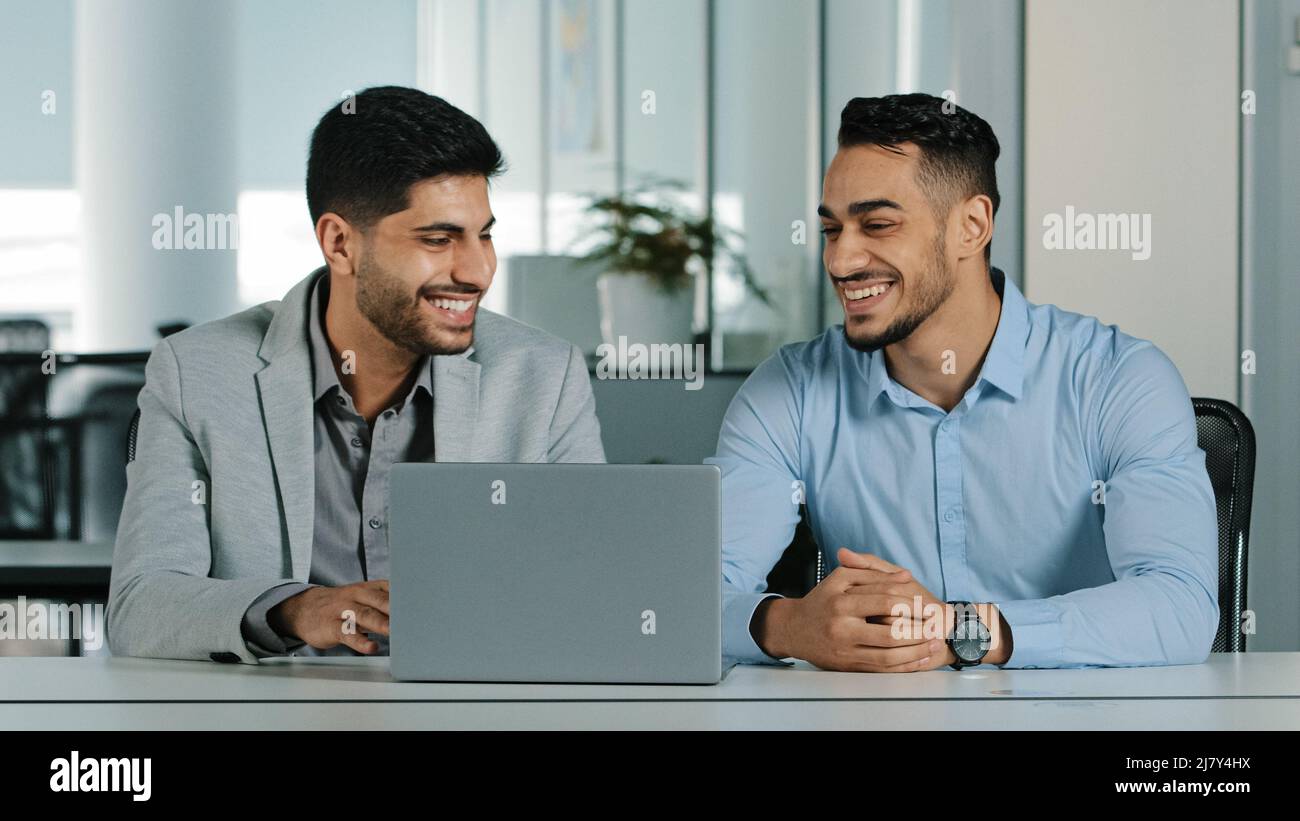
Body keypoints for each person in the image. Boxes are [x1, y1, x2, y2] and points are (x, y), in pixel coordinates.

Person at [710, 93, 1218, 672]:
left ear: (971, 227)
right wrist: (787, 625)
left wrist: (959, 630)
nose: (841, 260)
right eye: (832, 229)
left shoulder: (1119, 379)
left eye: (877, 224)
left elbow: (1180, 606)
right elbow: (682, 597)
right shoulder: (790, 391)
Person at [109, 86, 605, 662]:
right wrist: (296, 609)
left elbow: (589, 595)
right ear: (339, 243)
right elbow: (141, 608)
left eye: (484, 234)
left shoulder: (543, 377)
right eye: (438, 239)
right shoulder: (197, 372)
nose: (477, 270)